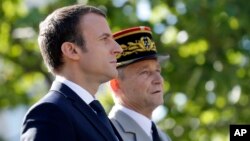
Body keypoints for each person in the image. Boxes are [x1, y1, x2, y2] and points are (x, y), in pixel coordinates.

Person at [21, 4, 123, 141]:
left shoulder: (94, 112)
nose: (118, 49)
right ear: (71, 50)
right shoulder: (50, 113)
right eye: (104, 39)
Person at [108, 26, 172, 141]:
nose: (158, 79)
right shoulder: (107, 134)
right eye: (145, 72)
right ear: (116, 84)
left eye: (158, 70)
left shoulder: (163, 137)